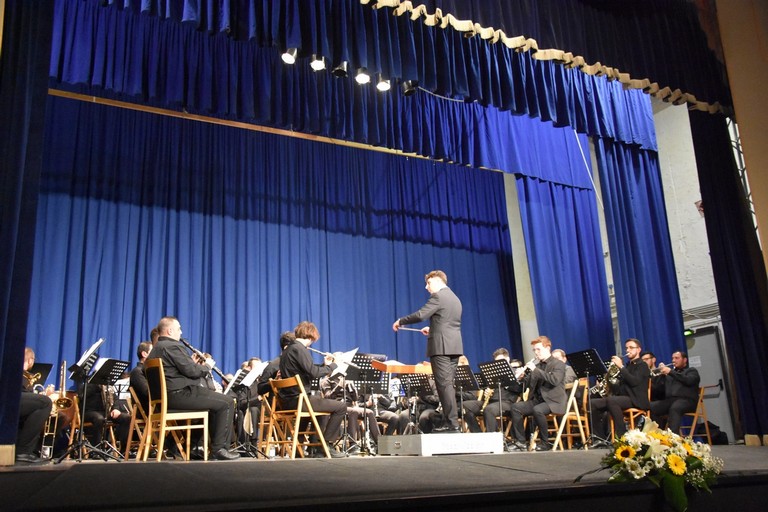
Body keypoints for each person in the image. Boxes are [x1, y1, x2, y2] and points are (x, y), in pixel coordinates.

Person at [145, 316, 239, 460]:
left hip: (165, 399)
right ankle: (219, 449)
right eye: (179, 329)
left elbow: (181, 370)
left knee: (215, 403)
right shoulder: (173, 346)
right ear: (170, 331)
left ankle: (204, 448)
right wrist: (207, 366)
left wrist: (193, 365)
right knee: (227, 402)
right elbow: (193, 372)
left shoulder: (155, 350)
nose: (181, 332)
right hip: (179, 395)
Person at [393, 270, 463, 433]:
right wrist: (432, 329)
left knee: (443, 386)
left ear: (438, 281)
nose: (426, 287)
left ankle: (452, 425)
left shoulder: (438, 296)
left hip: (441, 348)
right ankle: (450, 422)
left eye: (429, 283)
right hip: (454, 347)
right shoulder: (455, 298)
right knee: (448, 386)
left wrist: (400, 321)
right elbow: (446, 322)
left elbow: (421, 314)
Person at [278, 321, 347, 458]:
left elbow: (308, 371)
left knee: (320, 408)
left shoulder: (289, 350)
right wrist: (332, 366)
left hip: (288, 400)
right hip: (299, 400)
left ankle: (308, 448)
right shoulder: (300, 349)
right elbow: (314, 373)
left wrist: (325, 365)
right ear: (310, 336)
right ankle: (325, 445)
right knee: (341, 407)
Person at [508, 336, 567, 451]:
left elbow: (554, 380)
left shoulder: (558, 364)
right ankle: (521, 442)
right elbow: (529, 385)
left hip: (553, 401)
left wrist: (535, 370)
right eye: (534, 350)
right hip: (538, 400)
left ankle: (545, 443)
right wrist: (522, 377)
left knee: (538, 410)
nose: (536, 352)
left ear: (548, 348)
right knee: (515, 407)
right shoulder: (538, 366)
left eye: (538, 349)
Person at [589, 338, 651, 446]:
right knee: (592, 403)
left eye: (631, 348)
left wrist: (621, 367)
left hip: (636, 399)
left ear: (639, 349)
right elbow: (618, 388)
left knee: (612, 401)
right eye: (626, 348)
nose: (628, 350)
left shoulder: (642, 365)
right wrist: (609, 378)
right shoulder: (628, 366)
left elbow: (634, 382)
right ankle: (599, 438)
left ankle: (622, 436)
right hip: (623, 398)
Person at [462, 349, 522, 433]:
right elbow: (485, 387)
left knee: (489, 409)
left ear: (507, 359)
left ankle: (492, 438)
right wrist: (486, 392)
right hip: (491, 401)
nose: (498, 364)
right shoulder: (493, 373)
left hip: (507, 402)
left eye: (501, 361)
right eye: (496, 362)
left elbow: (519, 389)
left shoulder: (516, 372)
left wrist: (508, 384)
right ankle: (478, 433)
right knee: (465, 405)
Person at [650, 351, 701, 433]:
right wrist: (660, 375)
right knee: (650, 407)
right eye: (673, 358)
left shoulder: (691, 371)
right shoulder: (671, 374)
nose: (673, 360)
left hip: (688, 401)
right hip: (671, 401)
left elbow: (688, 381)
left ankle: (673, 438)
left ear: (684, 360)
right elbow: (659, 389)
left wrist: (670, 372)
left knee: (675, 408)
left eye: (676, 358)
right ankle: (658, 434)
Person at [17, 348, 53, 463]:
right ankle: (23, 451)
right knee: (46, 402)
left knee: (40, 406)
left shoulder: (27, 376)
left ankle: (29, 450)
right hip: (12, 400)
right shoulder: (20, 373)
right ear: (30, 360)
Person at [129, 341, 153, 413]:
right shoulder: (137, 372)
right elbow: (147, 393)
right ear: (144, 354)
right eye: (153, 351)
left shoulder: (149, 370)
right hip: (146, 410)